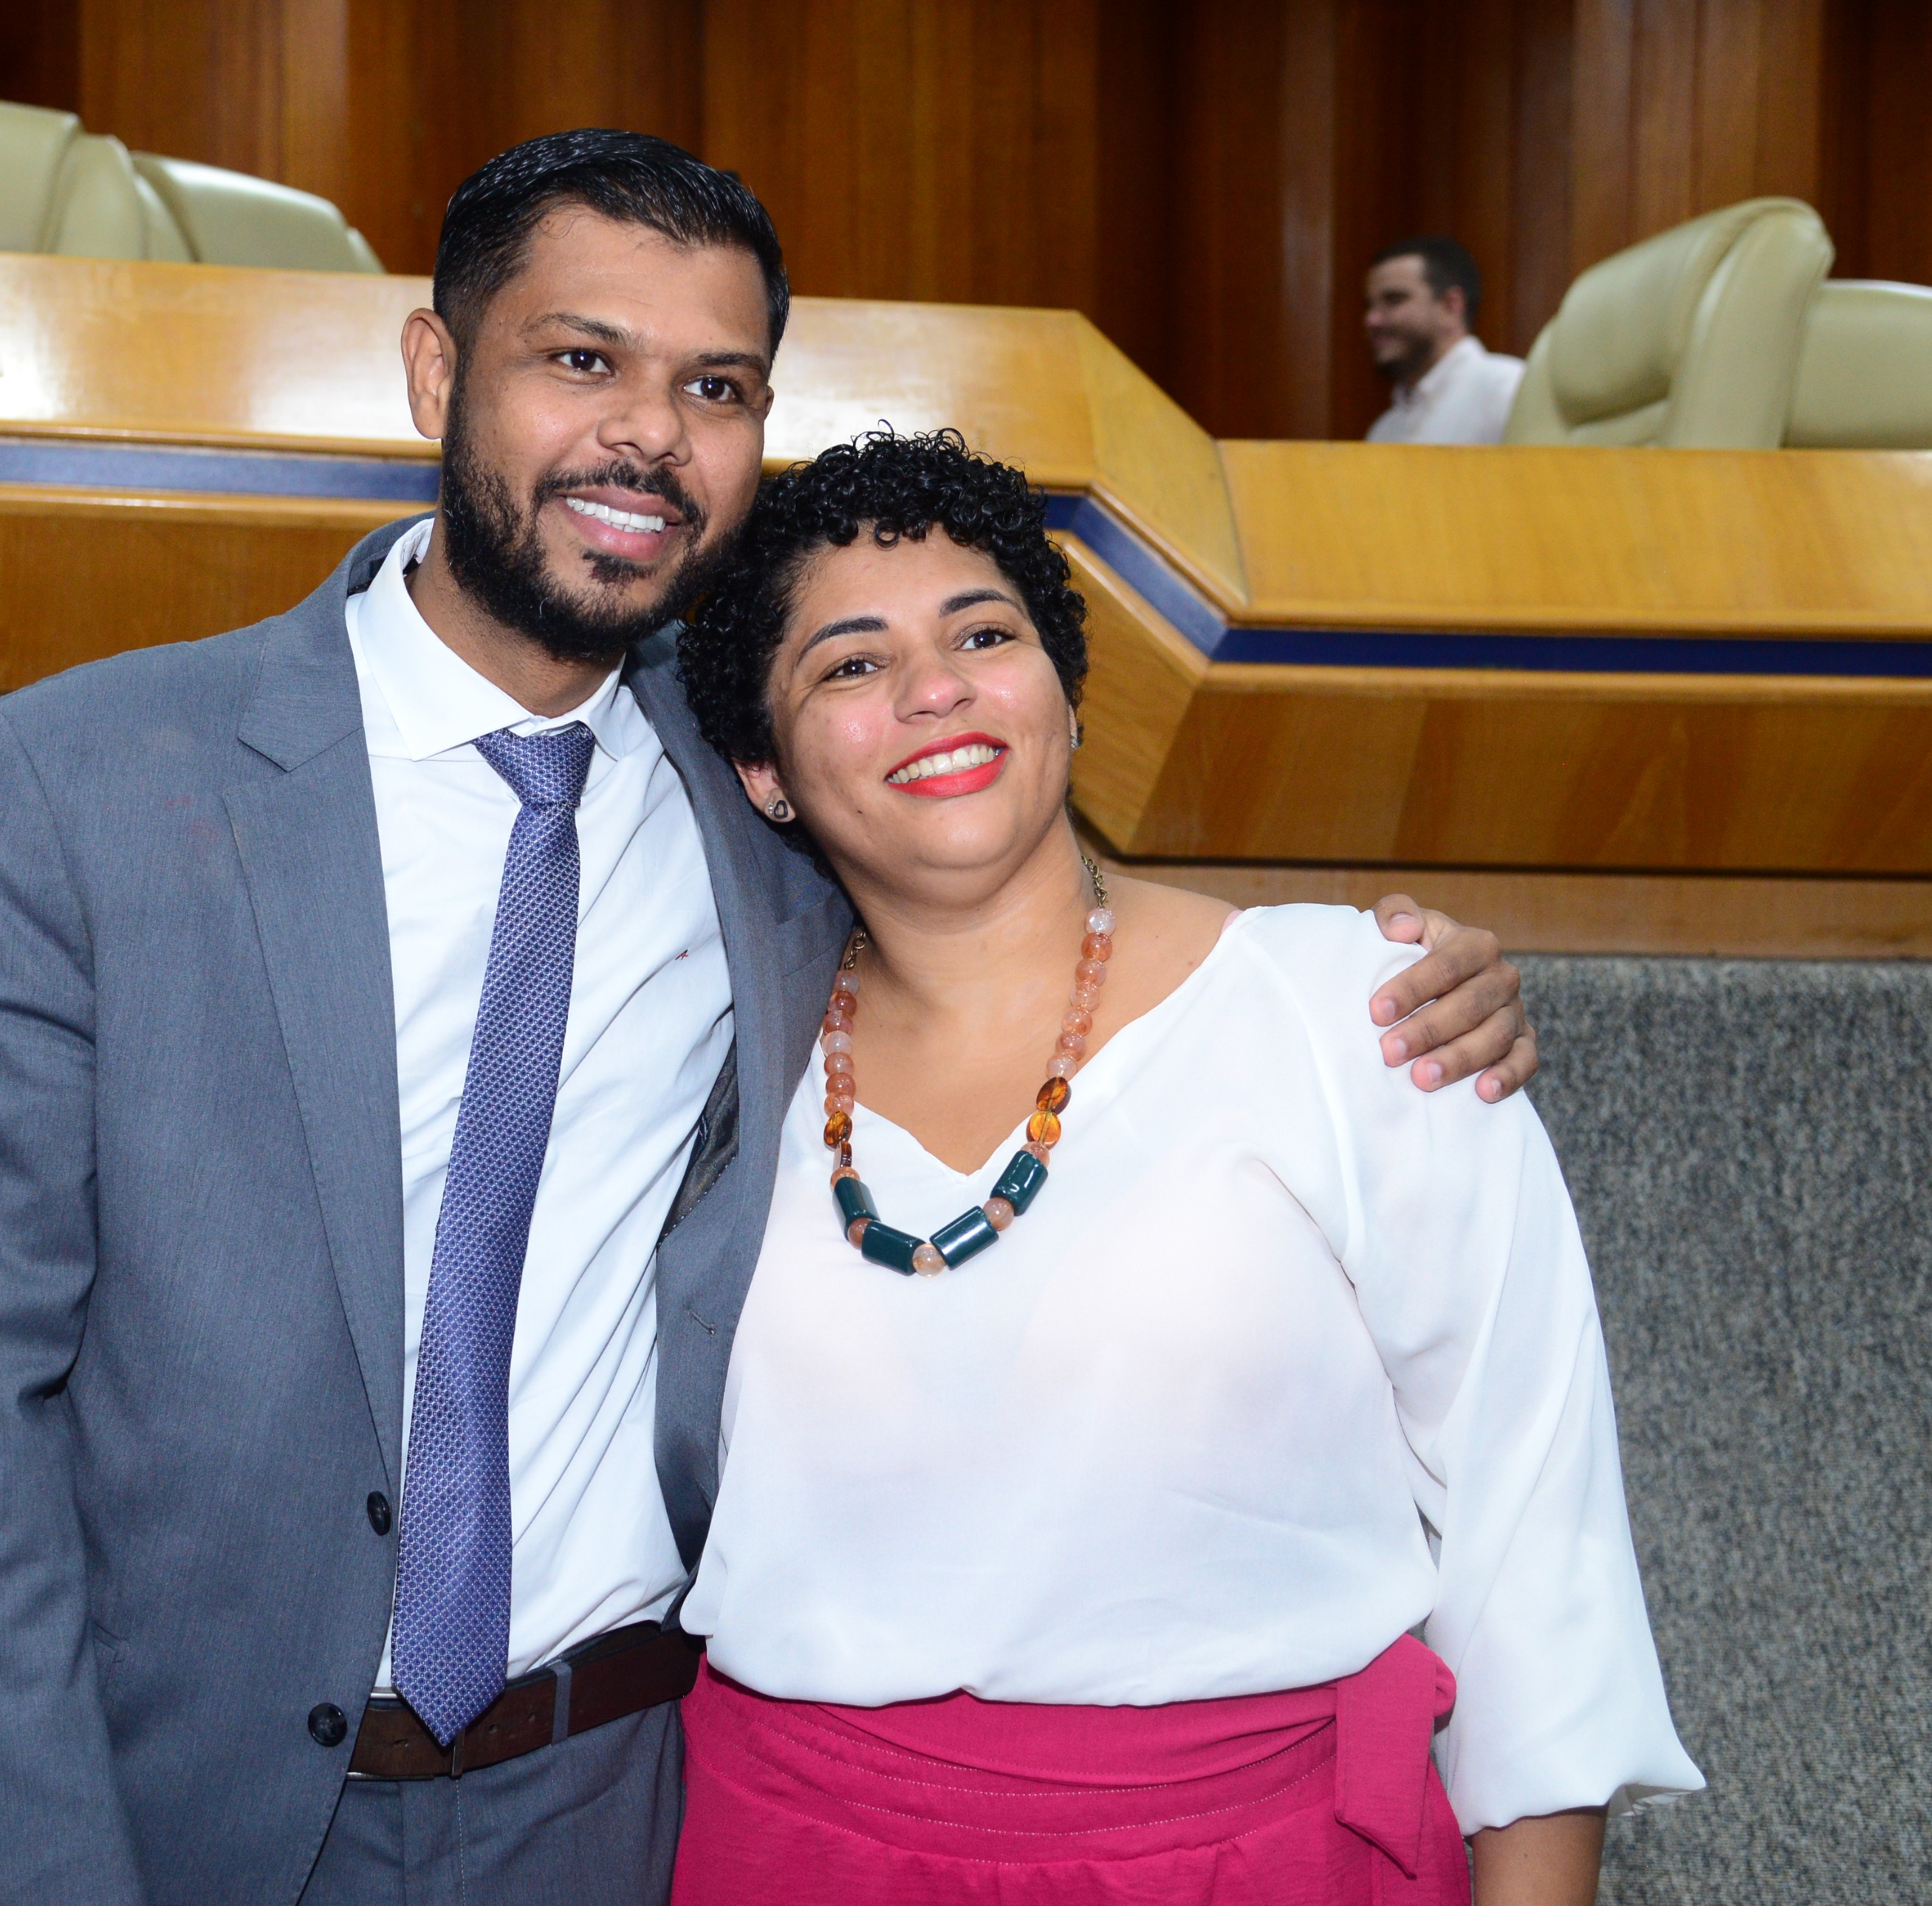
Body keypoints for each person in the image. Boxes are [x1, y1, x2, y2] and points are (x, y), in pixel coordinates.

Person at [0, 131, 1535, 1906]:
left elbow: (1020, 883)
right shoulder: (89, 783)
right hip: (184, 1808)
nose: (649, 435)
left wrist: (1376, 970)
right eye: (582, 359)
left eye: (715, 388)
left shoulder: (767, 782)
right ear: (436, 370)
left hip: (624, 1801)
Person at [667, 428, 1699, 1906]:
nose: (933, 687)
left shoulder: (1357, 1017)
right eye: (850, 663)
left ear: (1066, 693)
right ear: (764, 771)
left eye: (983, 634)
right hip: (793, 1850)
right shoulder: (714, 1067)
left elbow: (1535, 1546)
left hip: (1257, 1854)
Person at [1366, 236, 1525, 444]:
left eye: (1394, 300)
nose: (1372, 320)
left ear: (1450, 307)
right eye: (1370, 305)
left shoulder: (1507, 389)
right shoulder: (1386, 429)